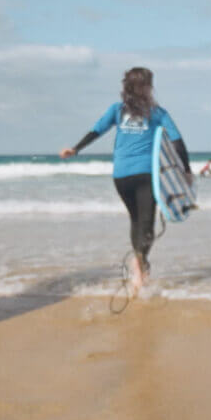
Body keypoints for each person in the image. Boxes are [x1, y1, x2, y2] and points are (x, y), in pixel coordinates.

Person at [60, 66, 190, 295]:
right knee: (146, 224)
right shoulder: (157, 113)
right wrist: (186, 171)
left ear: (126, 87)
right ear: (148, 87)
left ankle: (140, 264)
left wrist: (75, 149)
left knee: (135, 220)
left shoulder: (117, 110)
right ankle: (140, 264)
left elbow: (96, 131)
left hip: (121, 176)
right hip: (146, 175)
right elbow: (177, 141)